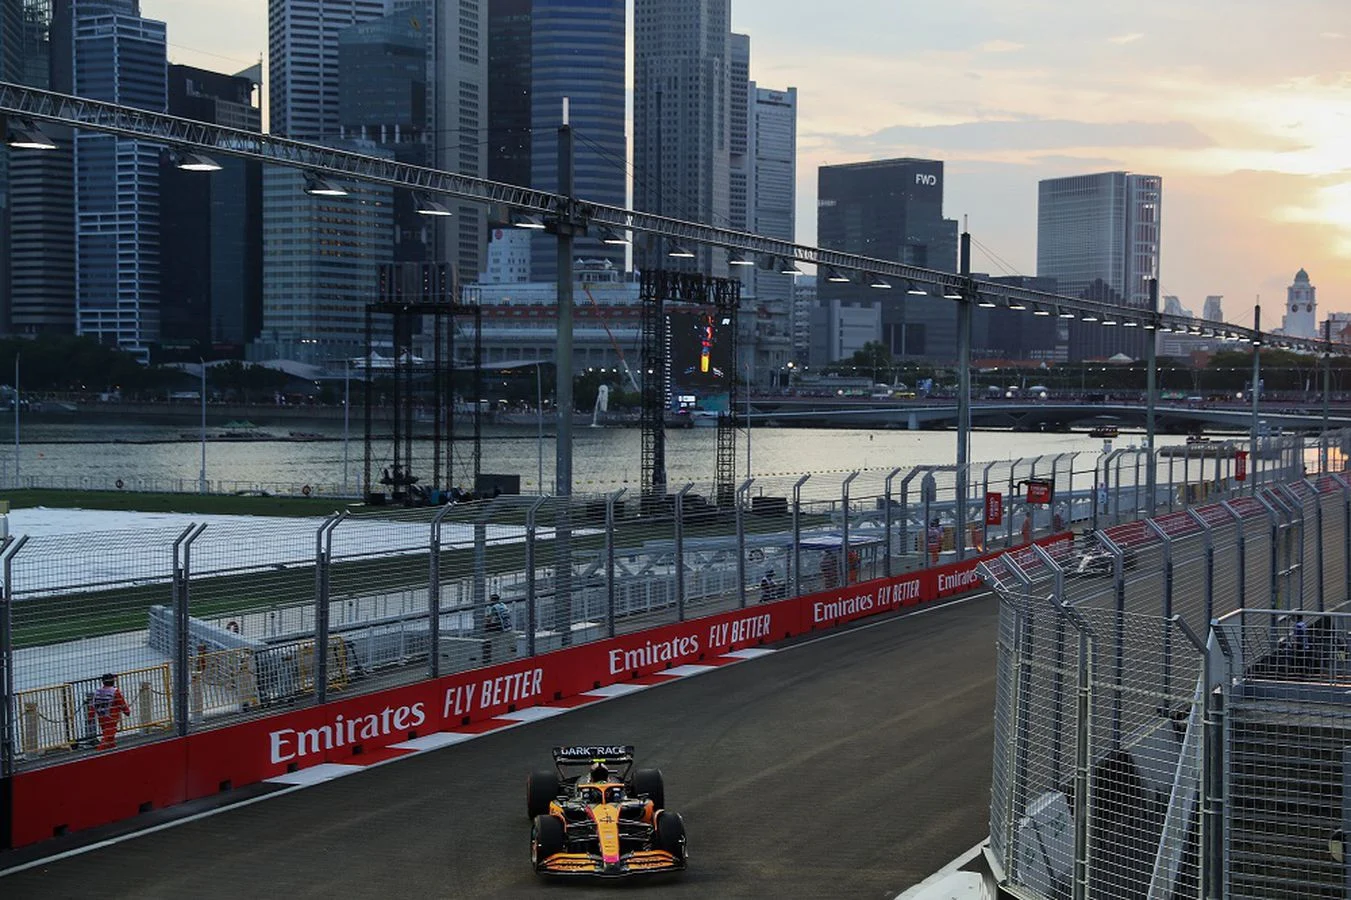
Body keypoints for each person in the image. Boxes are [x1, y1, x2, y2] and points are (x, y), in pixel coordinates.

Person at [91, 673, 131, 751]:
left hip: (101, 717)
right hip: (112, 717)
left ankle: (112, 748)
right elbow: (121, 703)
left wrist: (91, 717)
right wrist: (127, 712)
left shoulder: (97, 692)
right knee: (108, 736)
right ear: (113, 681)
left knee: (109, 736)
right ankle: (98, 753)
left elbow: (93, 705)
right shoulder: (115, 691)